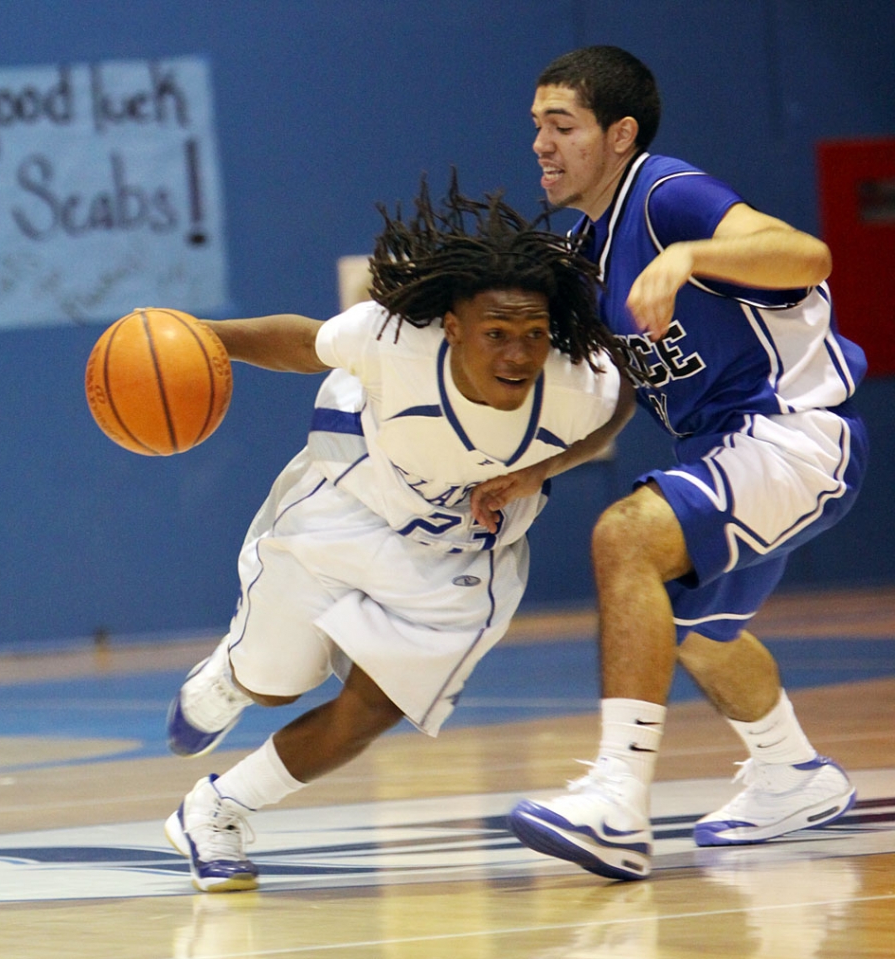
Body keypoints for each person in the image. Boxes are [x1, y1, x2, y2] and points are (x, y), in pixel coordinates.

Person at [161, 176, 635, 892]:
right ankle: (232, 674)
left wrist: (550, 466)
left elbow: (618, 395)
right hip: (347, 505)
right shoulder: (391, 338)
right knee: (274, 684)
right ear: (451, 327)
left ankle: (215, 808)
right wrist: (199, 338)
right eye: (496, 334)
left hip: (461, 555)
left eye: (533, 335)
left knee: (374, 707)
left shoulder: (572, 383)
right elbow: (303, 344)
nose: (517, 354)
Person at [472, 46, 868, 881]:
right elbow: (625, 390)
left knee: (626, 539)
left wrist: (690, 256)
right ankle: (790, 771)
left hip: (792, 435)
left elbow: (806, 255)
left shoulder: (665, 194)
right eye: (536, 127)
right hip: (730, 452)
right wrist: (548, 465)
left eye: (562, 126)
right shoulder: (587, 246)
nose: (541, 144)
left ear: (619, 135)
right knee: (697, 633)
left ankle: (617, 800)